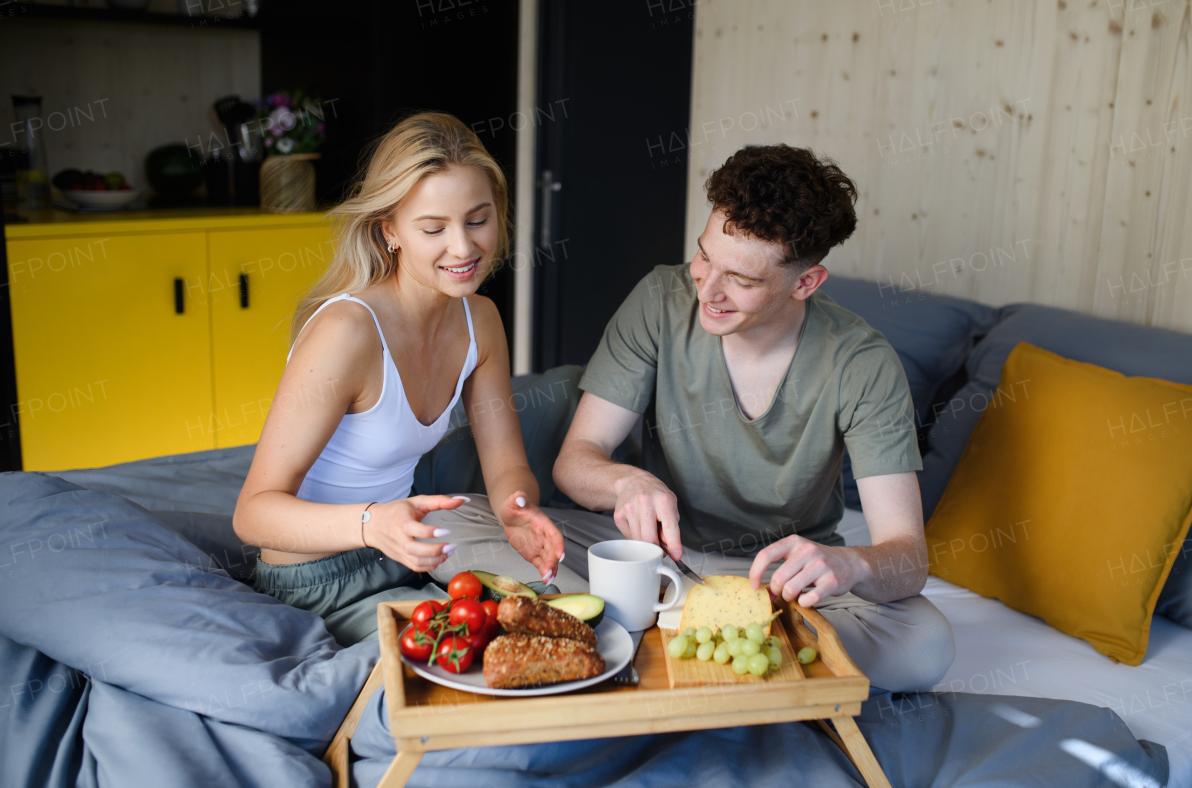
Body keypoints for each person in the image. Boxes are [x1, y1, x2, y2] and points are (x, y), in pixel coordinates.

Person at [432, 144, 954, 692]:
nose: (706, 290)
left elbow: (908, 557)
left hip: (772, 582)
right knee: (448, 524)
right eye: (705, 257)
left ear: (805, 284)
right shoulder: (660, 297)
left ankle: (639, 631)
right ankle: (710, 638)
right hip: (652, 560)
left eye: (742, 281)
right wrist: (627, 482)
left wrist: (852, 566)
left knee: (924, 643)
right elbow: (575, 462)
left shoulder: (863, 364)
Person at [232, 112, 565, 646]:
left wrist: (516, 511)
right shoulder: (348, 333)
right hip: (314, 580)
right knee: (488, 655)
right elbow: (252, 513)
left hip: (399, 561)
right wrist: (372, 525)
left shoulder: (480, 321)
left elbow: (507, 467)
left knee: (548, 626)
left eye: (477, 220)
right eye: (433, 229)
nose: (462, 248)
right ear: (389, 230)